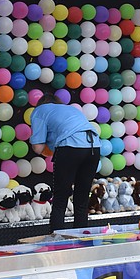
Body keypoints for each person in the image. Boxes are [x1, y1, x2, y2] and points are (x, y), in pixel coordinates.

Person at [29, 94, 99, 234]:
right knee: (82, 198)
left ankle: (57, 240)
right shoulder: (70, 109)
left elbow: (38, 148)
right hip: (94, 146)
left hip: (70, 147)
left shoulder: (40, 111)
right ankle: (81, 238)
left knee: (60, 197)